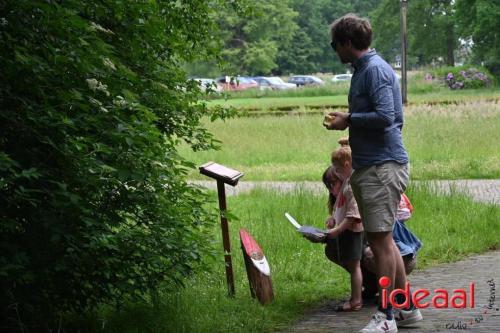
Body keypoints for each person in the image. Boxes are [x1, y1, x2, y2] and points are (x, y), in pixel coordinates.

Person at [327, 13, 422, 333]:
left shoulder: (375, 70)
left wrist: (349, 120)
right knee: (386, 240)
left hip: (382, 167)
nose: (335, 50)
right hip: (374, 164)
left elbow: (386, 116)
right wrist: (351, 128)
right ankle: (406, 307)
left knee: (381, 243)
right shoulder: (365, 69)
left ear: (347, 43)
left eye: (334, 45)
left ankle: (386, 317)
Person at [322, 140, 364, 312]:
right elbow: (342, 208)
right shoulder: (346, 183)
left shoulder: (351, 185)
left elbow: (354, 215)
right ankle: (356, 297)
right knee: (353, 265)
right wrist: (333, 220)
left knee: (354, 267)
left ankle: (356, 300)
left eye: (338, 169)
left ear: (347, 165)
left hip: (351, 233)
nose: (336, 173)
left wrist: (338, 230)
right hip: (347, 231)